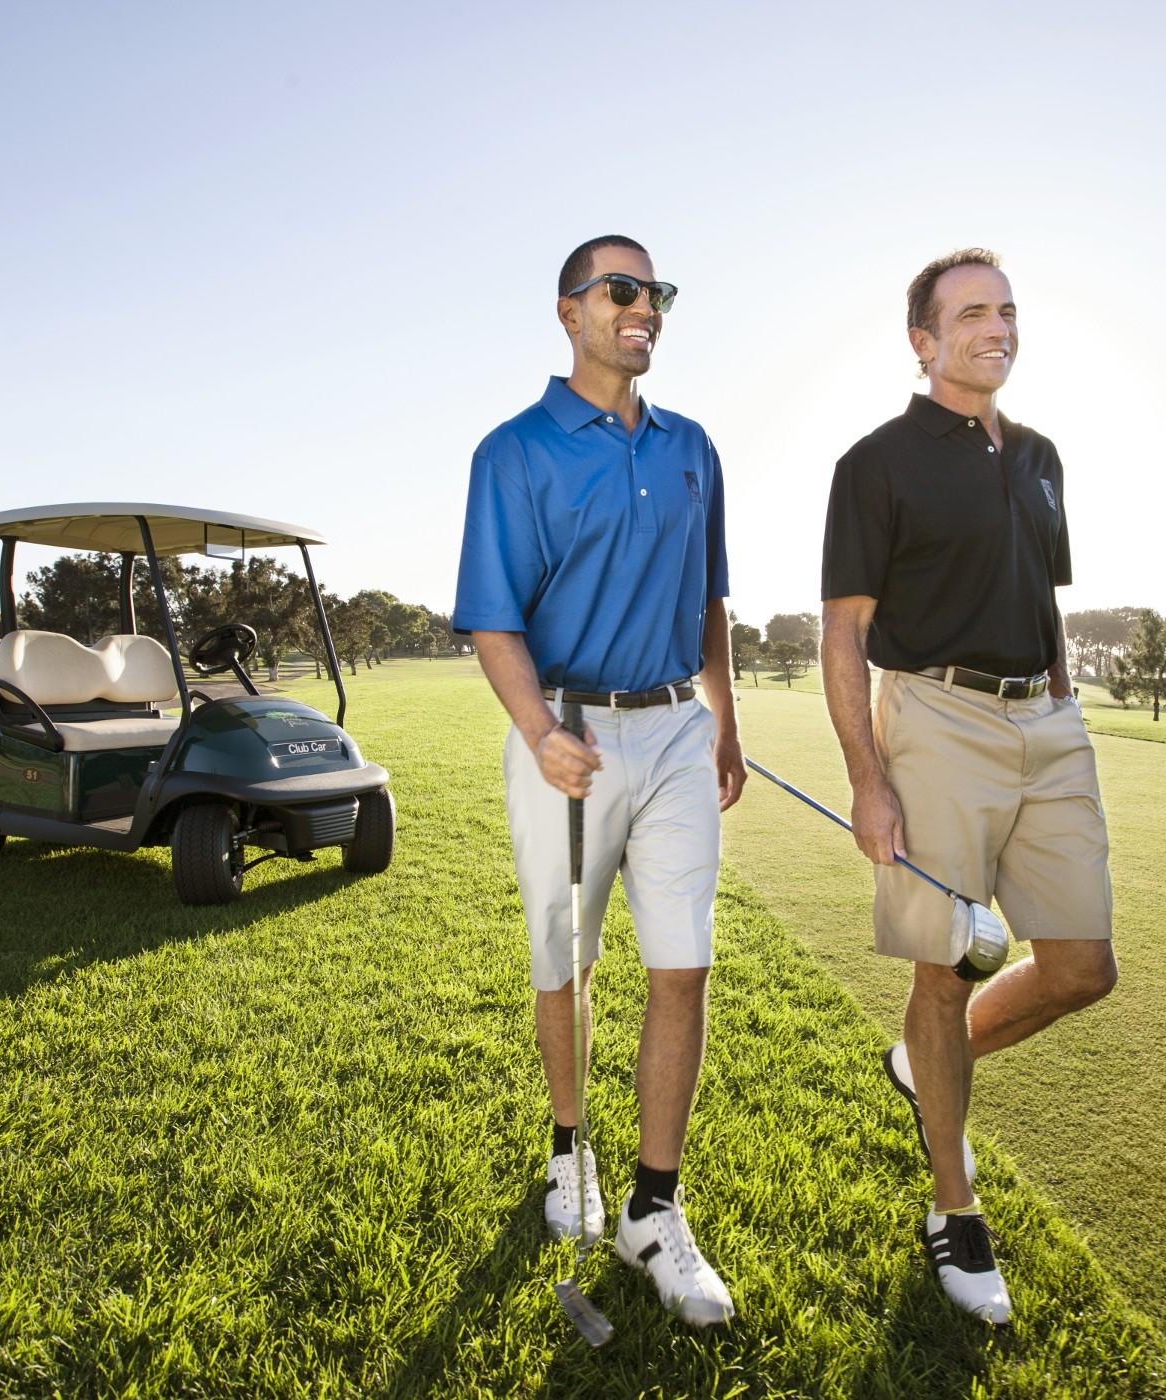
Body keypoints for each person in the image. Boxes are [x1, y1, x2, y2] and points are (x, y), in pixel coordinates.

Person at [819, 248, 1117, 1324]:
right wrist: (868, 775)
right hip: (937, 718)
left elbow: (1038, 589)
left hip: (1048, 715)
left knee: (1084, 966)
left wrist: (1062, 700)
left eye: (1008, 310)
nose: (997, 326)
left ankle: (919, 1062)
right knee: (944, 967)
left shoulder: (1041, 456)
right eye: (973, 312)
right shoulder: (877, 461)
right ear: (924, 339)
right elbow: (844, 632)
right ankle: (956, 1205)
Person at [452, 234, 746, 1328]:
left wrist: (724, 720)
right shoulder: (515, 451)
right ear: (569, 311)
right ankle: (569, 1147)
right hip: (566, 733)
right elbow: (493, 614)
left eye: (655, 291)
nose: (645, 307)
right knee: (563, 960)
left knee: (683, 966)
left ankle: (653, 1209)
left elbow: (710, 597)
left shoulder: (692, 447)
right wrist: (537, 731)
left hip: (674, 728)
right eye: (621, 290)